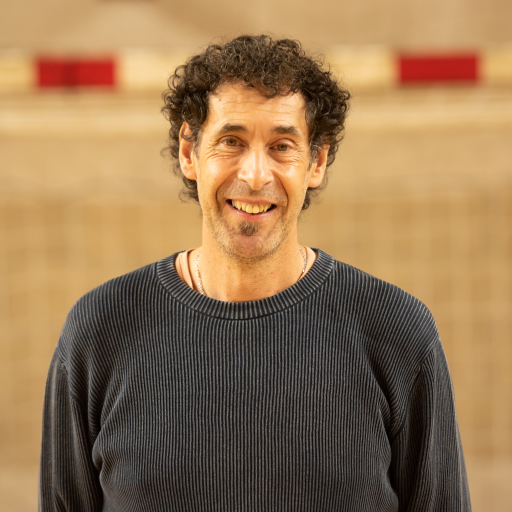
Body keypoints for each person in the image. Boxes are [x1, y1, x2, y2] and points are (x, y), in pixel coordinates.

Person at [39, 35, 471, 511]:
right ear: (189, 152)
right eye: (232, 142)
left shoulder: (398, 333)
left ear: (316, 161)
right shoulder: (99, 331)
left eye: (282, 146)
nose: (256, 175)